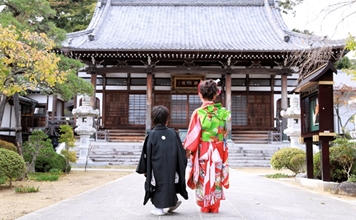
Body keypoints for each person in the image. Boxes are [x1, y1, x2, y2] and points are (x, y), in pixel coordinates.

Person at [184, 79, 231, 213]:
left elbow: (193, 135)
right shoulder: (223, 112)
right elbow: (226, 131)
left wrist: (187, 151)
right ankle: (214, 205)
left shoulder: (198, 113)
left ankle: (204, 205)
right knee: (216, 174)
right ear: (216, 95)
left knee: (203, 175)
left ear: (200, 94)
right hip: (218, 148)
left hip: (203, 149)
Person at [136, 105, 188, 216]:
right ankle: (171, 202)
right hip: (172, 168)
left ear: (153, 119)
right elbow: (181, 153)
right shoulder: (173, 134)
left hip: (156, 168)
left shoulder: (151, 135)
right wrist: (181, 163)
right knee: (171, 182)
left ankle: (159, 208)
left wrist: (145, 169)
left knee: (157, 184)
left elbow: (145, 153)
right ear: (167, 120)